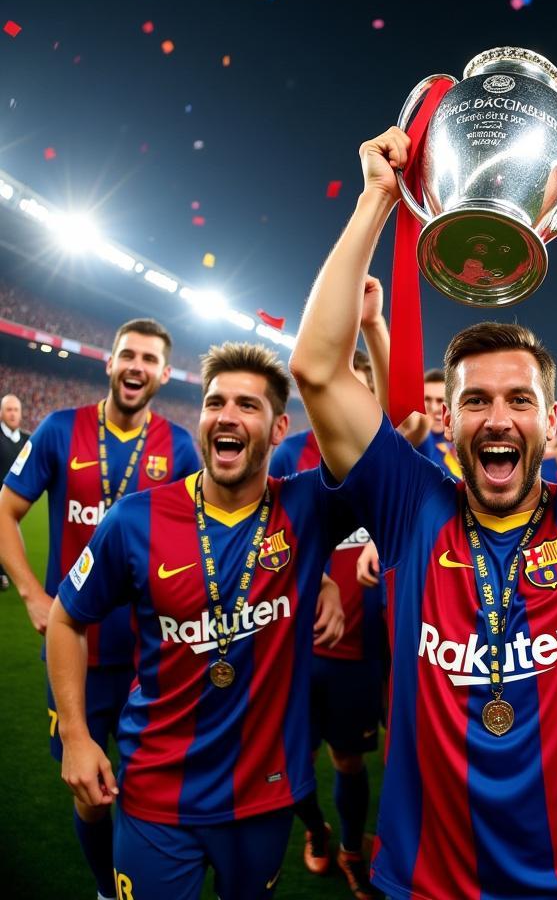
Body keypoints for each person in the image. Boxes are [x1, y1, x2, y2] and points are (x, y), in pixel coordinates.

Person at [290, 122, 557, 899]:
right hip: (436, 876)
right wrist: (374, 199)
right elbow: (316, 369)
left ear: (550, 417)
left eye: (518, 401)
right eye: (475, 401)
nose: (497, 419)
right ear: (448, 421)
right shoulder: (410, 507)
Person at [46, 342, 353, 900]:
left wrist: (373, 329)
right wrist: (76, 735)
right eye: (216, 403)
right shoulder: (134, 519)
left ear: (279, 427)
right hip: (158, 788)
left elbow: (392, 435)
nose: (227, 416)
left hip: (263, 792)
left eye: (247, 405)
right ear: (201, 416)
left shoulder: (310, 506)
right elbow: (67, 620)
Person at [0, 318, 199, 900]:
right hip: (76, 653)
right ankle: (105, 890)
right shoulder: (61, 429)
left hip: (152, 660)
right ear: (109, 363)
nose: (136, 366)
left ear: (164, 373)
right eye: (126, 355)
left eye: (149, 359)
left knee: (146, 792)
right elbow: (6, 511)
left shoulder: (180, 447)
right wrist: (35, 595)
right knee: (86, 791)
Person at [270, 342, 386, 900]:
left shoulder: (385, 461)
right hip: (288, 642)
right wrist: (321, 579)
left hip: (358, 649)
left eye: (355, 382)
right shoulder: (287, 455)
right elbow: (254, 537)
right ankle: (314, 829)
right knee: (290, 762)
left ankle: (350, 849)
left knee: (347, 757)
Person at [0, 392, 28, 589]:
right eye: (9, 410)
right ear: (1, 413)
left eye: (16, 410)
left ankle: (6, 572)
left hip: (16, 502)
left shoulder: (27, 440)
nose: (12, 414)